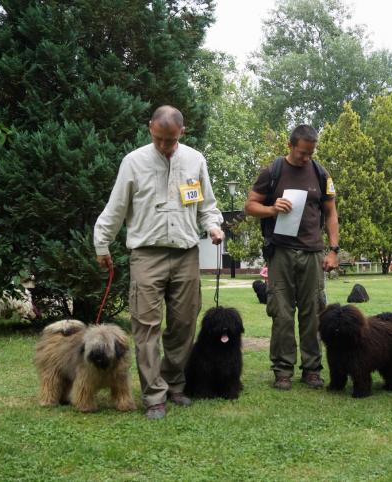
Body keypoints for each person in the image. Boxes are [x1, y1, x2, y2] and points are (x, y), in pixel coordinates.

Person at [94, 106, 224, 420]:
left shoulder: (195, 160)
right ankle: (154, 395)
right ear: (151, 128)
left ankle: (174, 384)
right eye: (159, 138)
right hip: (146, 255)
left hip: (185, 254)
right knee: (146, 328)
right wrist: (102, 242)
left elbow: (206, 205)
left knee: (183, 324)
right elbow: (116, 208)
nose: (164, 146)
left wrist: (213, 225)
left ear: (182, 132)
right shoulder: (133, 162)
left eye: (170, 140)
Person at [245, 124, 339, 391]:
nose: (306, 158)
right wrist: (272, 208)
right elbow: (250, 206)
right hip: (281, 251)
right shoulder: (272, 171)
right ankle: (283, 370)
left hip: (312, 252)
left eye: (310, 153)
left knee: (314, 312)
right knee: (282, 312)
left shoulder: (320, 173)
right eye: (302, 153)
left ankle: (312, 369)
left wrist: (333, 249)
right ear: (290, 146)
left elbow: (331, 212)